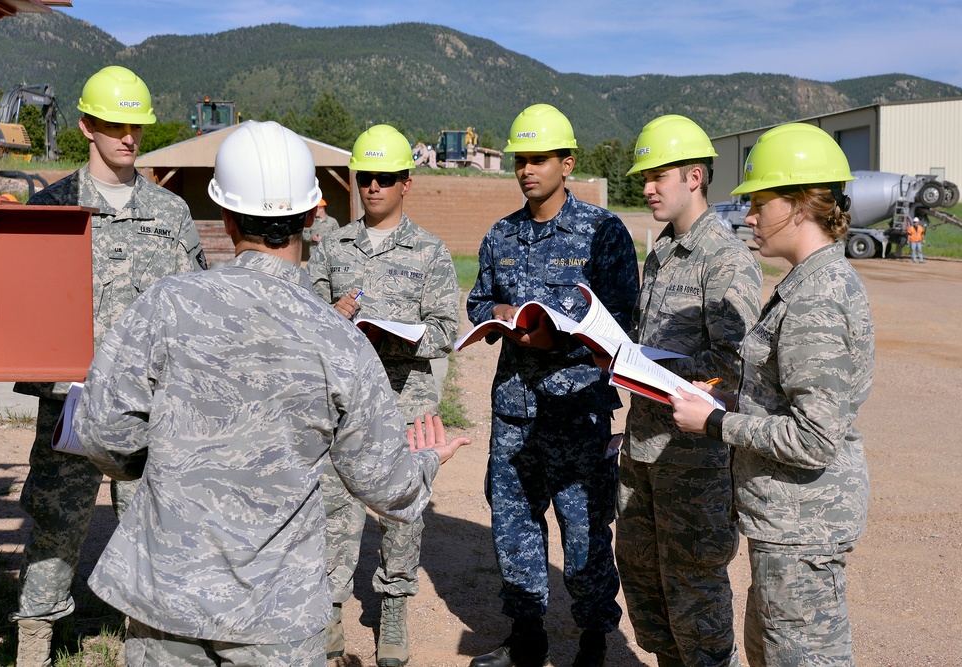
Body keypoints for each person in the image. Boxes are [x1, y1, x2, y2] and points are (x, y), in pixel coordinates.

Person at [72, 120, 471, 667]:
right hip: (276, 618)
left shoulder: (166, 304)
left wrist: (154, 462)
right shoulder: (338, 338)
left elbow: (100, 430)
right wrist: (425, 462)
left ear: (227, 216)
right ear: (313, 217)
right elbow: (387, 486)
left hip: (166, 595)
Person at [10, 65, 207, 667]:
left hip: (149, 405)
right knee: (55, 526)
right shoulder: (53, 208)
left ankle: (146, 644)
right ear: (86, 125)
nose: (128, 136)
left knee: (151, 524)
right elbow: (28, 312)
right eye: (115, 124)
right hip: (72, 404)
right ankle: (34, 642)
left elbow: (193, 303)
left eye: (136, 126)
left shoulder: (169, 213)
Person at [670, 123, 874, 666]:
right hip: (787, 523)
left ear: (802, 205)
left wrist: (715, 424)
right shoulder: (810, 283)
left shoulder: (816, 300)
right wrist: (731, 402)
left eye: (761, 202)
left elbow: (814, 438)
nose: (750, 217)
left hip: (802, 526)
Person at [465, 103, 639, 667]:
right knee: (513, 523)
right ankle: (526, 639)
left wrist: (556, 341)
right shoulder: (502, 234)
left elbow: (621, 317)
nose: (527, 169)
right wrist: (498, 311)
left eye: (539, 158)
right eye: (520, 159)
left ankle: (595, 641)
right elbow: (476, 300)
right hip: (516, 408)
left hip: (578, 407)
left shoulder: (603, 232)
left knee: (585, 526)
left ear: (567, 163)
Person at [307, 123, 460, 666]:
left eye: (385, 178)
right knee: (335, 506)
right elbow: (307, 318)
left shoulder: (429, 251)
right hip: (342, 403)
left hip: (404, 401)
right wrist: (334, 317)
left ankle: (393, 607)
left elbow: (448, 329)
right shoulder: (331, 246)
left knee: (400, 511)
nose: (373, 186)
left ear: (405, 184)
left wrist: (404, 333)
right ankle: (328, 612)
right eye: (365, 177)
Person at [616, 115, 762, 667]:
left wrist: (655, 368)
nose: (647, 187)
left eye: (658, 176)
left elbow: (734, 367)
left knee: (695, 597)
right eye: (644, 177)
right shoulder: (659, 254)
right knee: (647, 587)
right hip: (644, 452)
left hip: (695, 461)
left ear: (695, 176)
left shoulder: (726, 260)